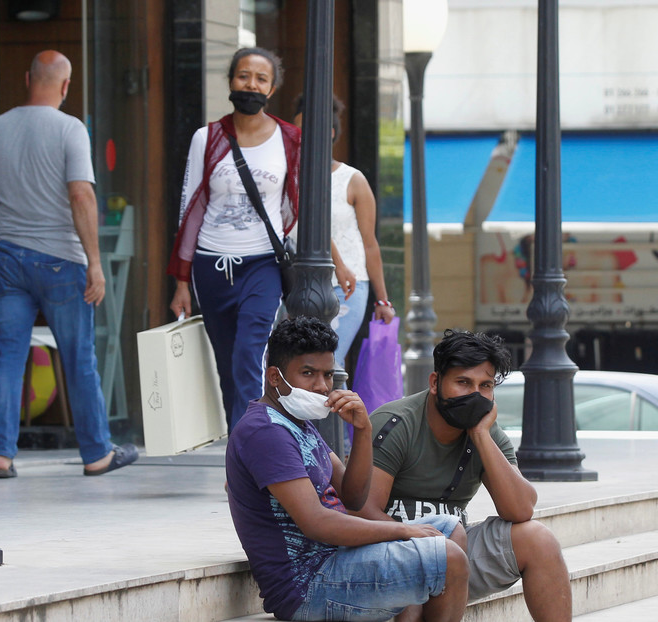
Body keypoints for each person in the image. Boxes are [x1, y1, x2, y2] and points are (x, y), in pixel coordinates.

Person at [226, 316, 469, 621]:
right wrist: (402, 529)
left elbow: (353, 498)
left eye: (328, 375)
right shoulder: (265, 431)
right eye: (308, 373)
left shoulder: (298, 424)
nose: (322, 386)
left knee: (451, 530)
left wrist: (363, 430)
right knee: (448, 557)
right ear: (275, 377)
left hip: (337, 561)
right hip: (305, 585)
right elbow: (315, 522)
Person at [0, 50, 137, 479]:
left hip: (7, 257)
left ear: (28, 77)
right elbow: (81, 195)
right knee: (79, 358)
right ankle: (97, 453)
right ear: (65, 86)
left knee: (8, 357)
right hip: (63, 261)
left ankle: (2, 457)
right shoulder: (71, 129)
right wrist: (95, 264)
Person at [357, 329, 571, 621]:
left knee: (538, 540)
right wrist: (419, 544)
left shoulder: (488, 432)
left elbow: (520, 509)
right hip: (390, 554)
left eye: (485, 385)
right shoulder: (396, 423)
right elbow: (363, 510)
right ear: (435, 383)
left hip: (455, 554)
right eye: (463, 382)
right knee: (426, 570)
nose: (475, 394)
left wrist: (481, 435)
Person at [168, 47, 300, 432]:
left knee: (249, 354)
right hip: (211, 265)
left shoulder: (290, 139)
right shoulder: (207, 137)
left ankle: (250, 446)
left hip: (262, 263)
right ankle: (240, 439)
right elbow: (189, 208)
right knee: (227, 363)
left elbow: (295, 206)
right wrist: (181, 279)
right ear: (230, 81)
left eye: (261, 78)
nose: (251, 85)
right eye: (244, 76)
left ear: (272, 88)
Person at [292, 94, 394, 366]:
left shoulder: (353, 180)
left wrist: (383, 300)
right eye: (296, 130)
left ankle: (342, 411)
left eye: (308, 130)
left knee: (328, 365)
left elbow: (369, 244)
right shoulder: (286, 177)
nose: (301, 137)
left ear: (330, 133)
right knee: (296, 368)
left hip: (347, 287)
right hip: (294, 286)